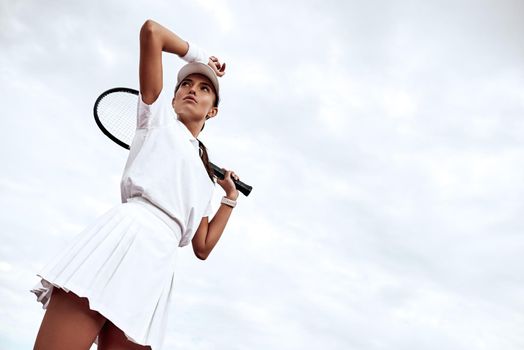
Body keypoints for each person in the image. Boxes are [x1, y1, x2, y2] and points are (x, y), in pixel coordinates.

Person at [30, 19, 240, 350]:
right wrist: (199, 57)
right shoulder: (156, 119)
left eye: (203, 88)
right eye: (185, 84)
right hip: (124, 237)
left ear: (212, 111)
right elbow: (152, 32)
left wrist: (229, 199)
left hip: (156, 268)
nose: (191, 89)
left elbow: (202, 246)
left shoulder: (205, 179)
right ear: (170, 99)